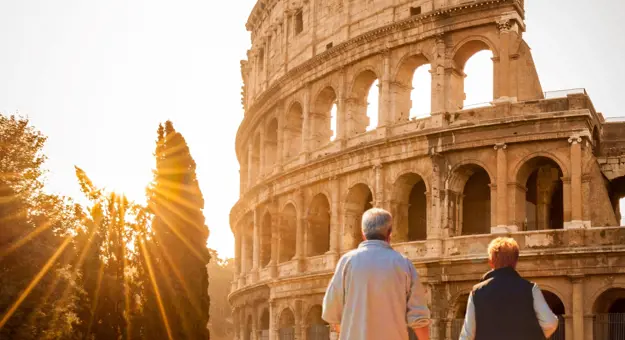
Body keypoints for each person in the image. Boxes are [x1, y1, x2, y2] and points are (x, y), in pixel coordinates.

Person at [321, 207, 431, 340]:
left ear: (363, 233)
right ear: (389, 233)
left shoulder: (346, 262)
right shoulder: (404, 264)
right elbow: (419, 318)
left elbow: (330, 312)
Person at [459, 237, 559, 340]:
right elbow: (550, 323)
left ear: (491, 261)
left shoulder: (477, 293)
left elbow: (467, 336)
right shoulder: (530, 289)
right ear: (515, 262)